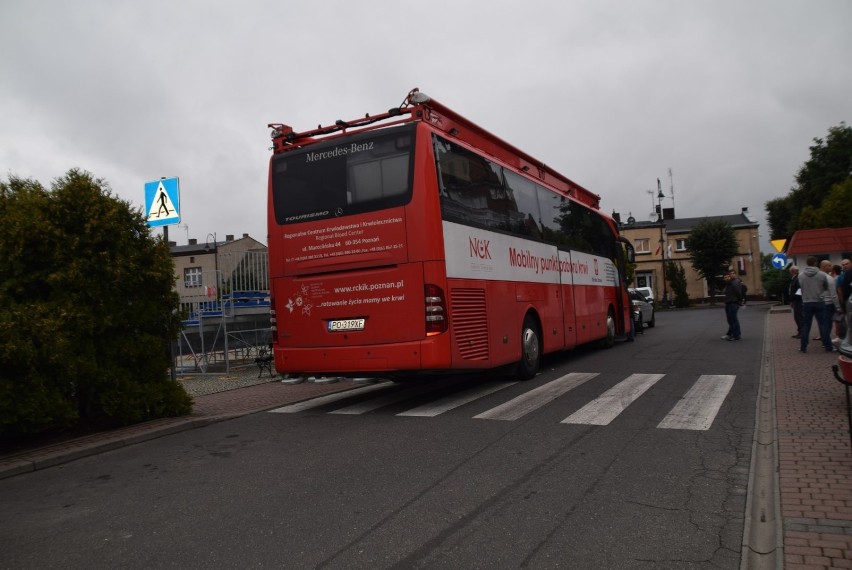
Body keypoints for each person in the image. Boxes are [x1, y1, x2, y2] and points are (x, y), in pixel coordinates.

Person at [798, 256, 833, 353]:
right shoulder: (822, 275)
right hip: (819, 301)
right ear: (815, 263)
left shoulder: (801, 276)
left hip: (806, 302)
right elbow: (825, 287)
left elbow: (800, 287)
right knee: (823, 325)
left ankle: (803, 347)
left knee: (806, 325)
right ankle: (828, 346)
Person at [818, 260, 842, 344]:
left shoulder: (816, 277)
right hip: (828, 304)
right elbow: (833, 294)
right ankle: (827, 344)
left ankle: (824, 341)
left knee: (822, 324)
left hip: (818, 303)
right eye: (829, 265)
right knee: (827, 325)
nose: (831, 267)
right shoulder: (829, 278)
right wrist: (838, 307)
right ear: (824, 266)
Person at [721, 269, 746, 341]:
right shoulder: (729, 283)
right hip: (729, 303)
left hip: (733, 303)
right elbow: (724, 292)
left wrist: (740, 301)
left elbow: (739, 292)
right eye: (726, 277)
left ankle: (736, 335)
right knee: (730, 320)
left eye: (732, 274)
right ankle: (731, 334)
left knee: (733, 319)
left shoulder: (735, 282)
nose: (731, 275)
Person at [788, 265, 803, 338]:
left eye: (790, 271)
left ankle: (802, 332)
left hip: (798, 301)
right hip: (795, 300)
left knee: (798, 317)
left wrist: (794, 298)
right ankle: (800, 331)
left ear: (792, 271)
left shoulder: (797, 279)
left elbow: (799, 290)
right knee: (797, 317)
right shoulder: (794, 278)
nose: (789, 272)